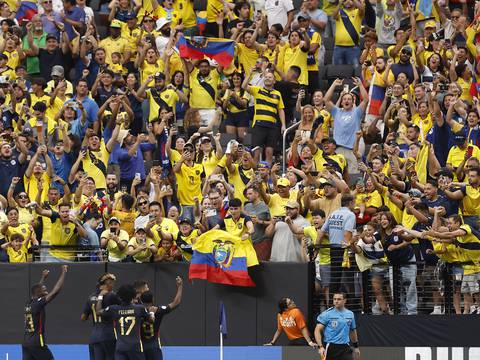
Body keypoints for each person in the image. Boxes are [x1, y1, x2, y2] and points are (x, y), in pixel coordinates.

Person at [95, 284, 155, 360]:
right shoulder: (139, 308)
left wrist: (100, 297)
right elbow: (151, 320)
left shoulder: (113, 309)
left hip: (121, 347)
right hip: (135, 347)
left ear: (119, 296)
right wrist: (152, 313)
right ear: (133, 296)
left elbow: (98, 312)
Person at [23, 266, 68, 360]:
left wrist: (43, 278)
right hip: (37, 343)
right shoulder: (38, 304)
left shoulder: (29, 303)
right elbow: (55, 291)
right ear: (39, 292)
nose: (46, 289)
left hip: (26, 343)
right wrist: (63, 272)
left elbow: (36, 290)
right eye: (44, 288)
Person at [140, 276, 183, 360]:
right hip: (154, 347)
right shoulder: (158, 310)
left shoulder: (137, 311)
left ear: (141, 300)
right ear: (153, 300)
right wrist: (180, 286)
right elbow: (176, 303)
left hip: (141, 348)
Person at [81, 273, 120, 360]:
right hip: (108, 335)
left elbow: (83, 318)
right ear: (108, 283)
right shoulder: (111, 295)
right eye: (112, 283)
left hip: (94, 337)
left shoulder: (90, 297)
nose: (113, 286)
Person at [314, 292, 360, 360]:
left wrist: (356, 347)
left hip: (345, 347)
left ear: (345, 300)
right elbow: (317, 330)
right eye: (334, 299)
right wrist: (320, 347)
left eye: (339, 299)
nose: (336, 301)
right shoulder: (327, 314)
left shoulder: (350, 314)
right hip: (331, 347)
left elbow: (352, 330)